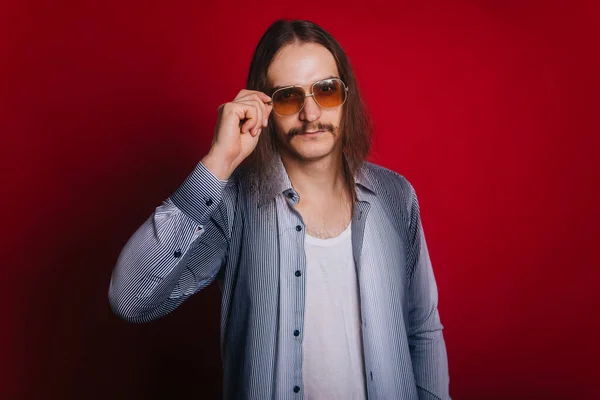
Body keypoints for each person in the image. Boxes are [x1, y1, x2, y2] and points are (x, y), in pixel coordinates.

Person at [109, 19, 450, 400]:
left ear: (345, 94)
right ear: (264, 109)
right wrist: (217, 163)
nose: (311, 114)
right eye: (289, 97)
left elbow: (421, 330)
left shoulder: (396, 196)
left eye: (325, 90)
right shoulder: (233, 208)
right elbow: (131, 299)